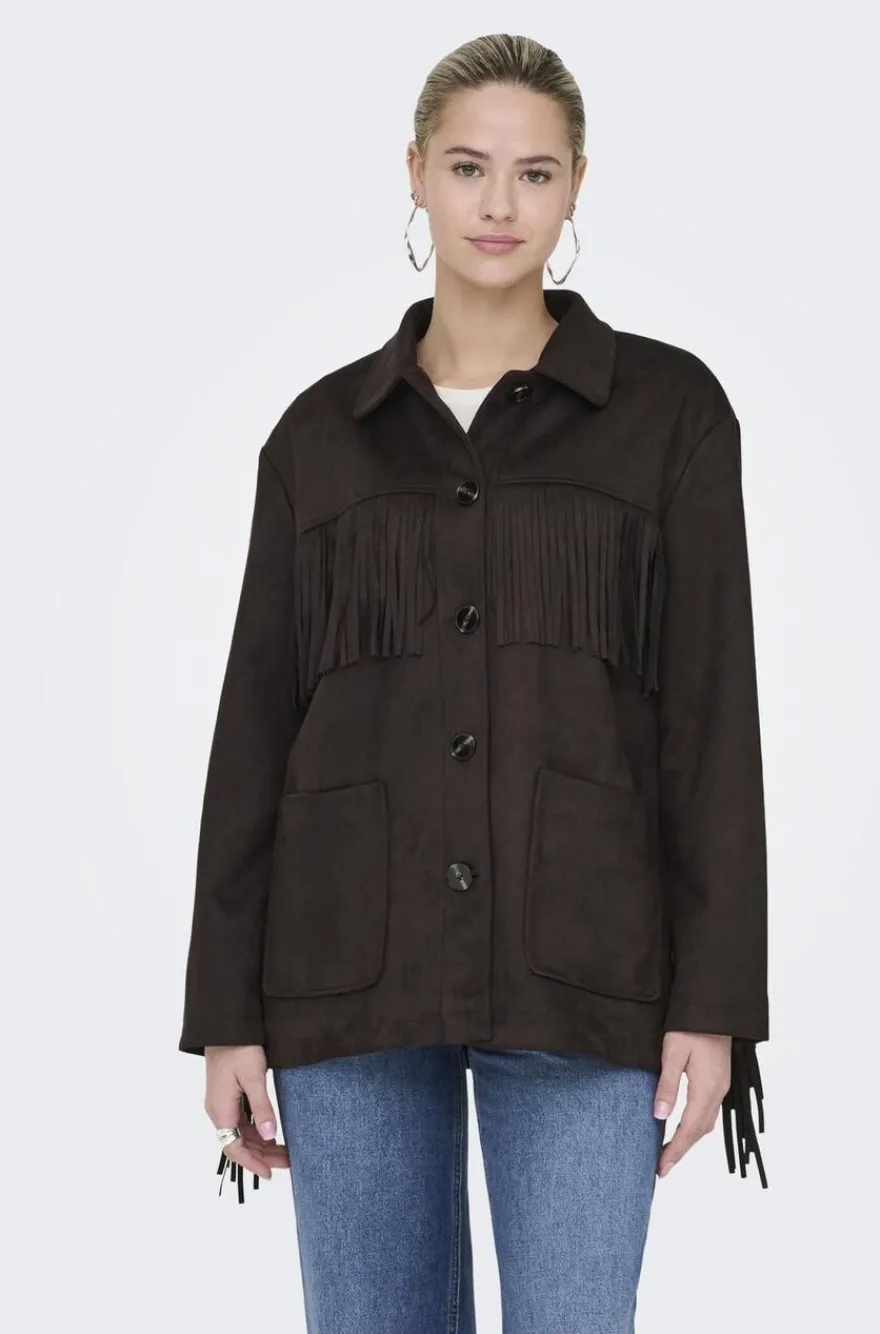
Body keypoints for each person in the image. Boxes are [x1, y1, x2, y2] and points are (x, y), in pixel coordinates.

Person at [178, 31, 769, 1334]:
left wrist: (716, 1003)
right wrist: (226, 1013)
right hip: (345, 971)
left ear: (576, 187)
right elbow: (256, 727)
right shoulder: (317, 439)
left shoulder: (670, 416)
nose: (500, 204)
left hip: (589, 964)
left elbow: (713, 721)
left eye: (534, 172)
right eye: (467, 167)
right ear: (415, 174)